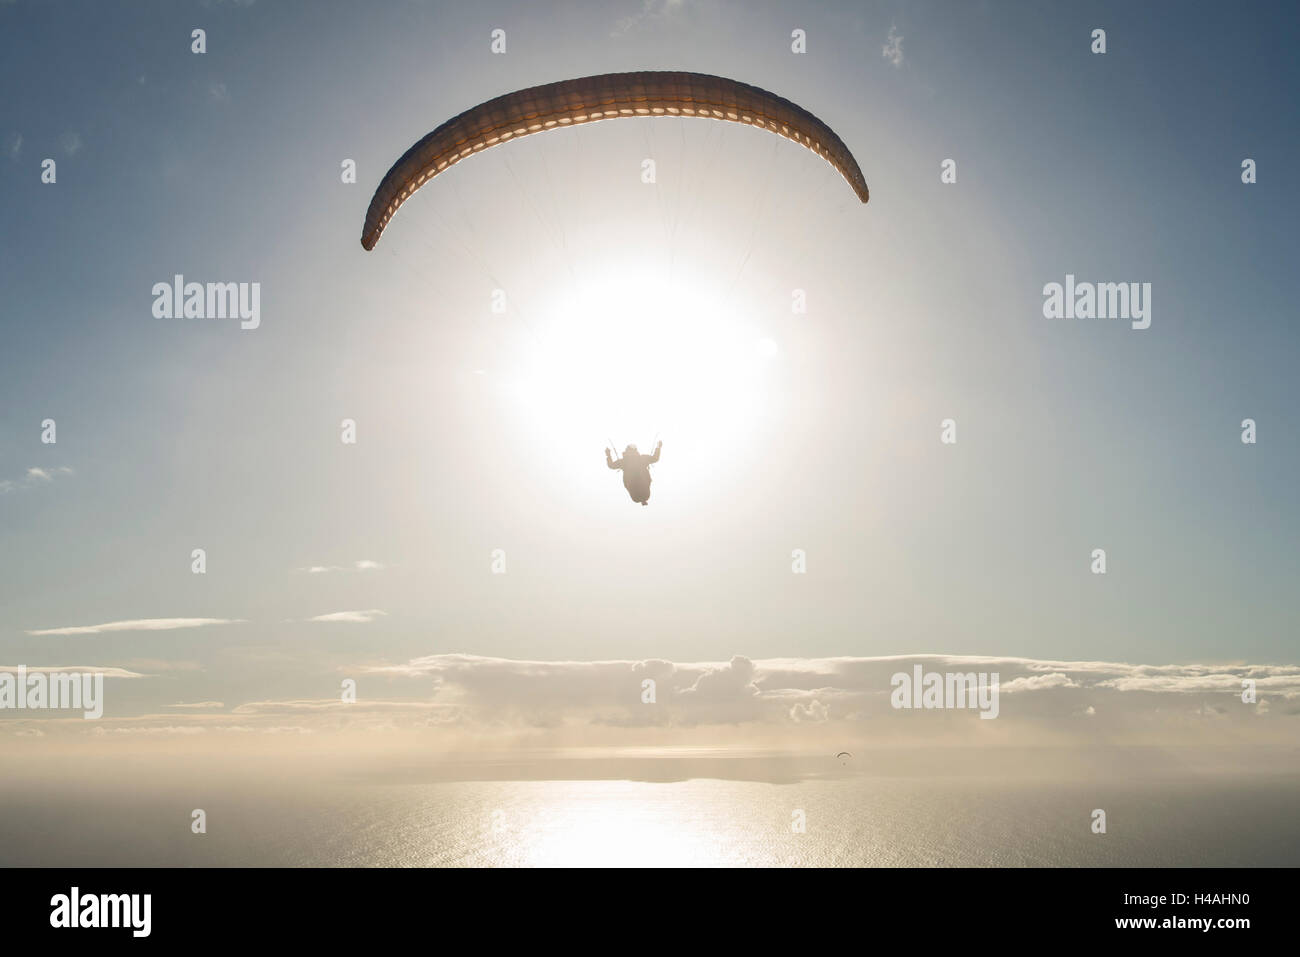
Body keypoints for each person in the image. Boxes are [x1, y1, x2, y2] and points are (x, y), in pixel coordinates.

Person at [606, 441, 662, 506]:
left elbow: (611, 465)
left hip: (635, 492)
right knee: (642, 492)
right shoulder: (642, 458)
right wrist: (658, 447)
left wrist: (608, 455)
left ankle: (642, 499)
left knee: (640, 494)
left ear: (627, 450)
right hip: (642, 489)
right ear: (636, 450)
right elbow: (655, 458)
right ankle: (643, 500)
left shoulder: (624, 461)